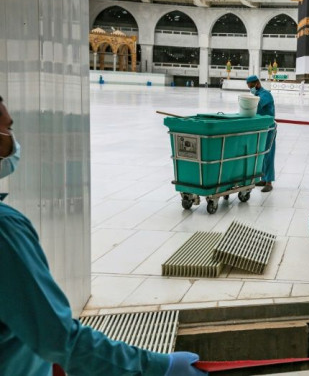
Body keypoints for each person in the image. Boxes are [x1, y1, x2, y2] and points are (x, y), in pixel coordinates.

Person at [0, 96, 205, 376]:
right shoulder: (4, 231)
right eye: (7, 130)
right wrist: (157, 368)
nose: (12, 140)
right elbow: (59, 338)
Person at [246, 75, 276, 193]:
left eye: (252, 86)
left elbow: (256, 106)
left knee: (268, 154)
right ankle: (263, 178)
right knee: (261, 154)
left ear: (257, 84)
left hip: (269, 129)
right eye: (249, 87)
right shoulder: (257, 95)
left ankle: (269, 182)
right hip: (261, 128)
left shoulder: (265, 95)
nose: (251, 89)